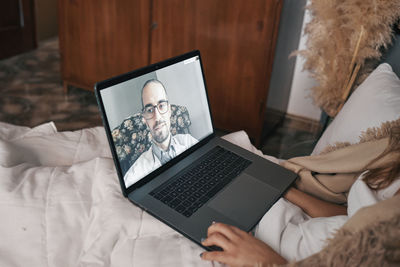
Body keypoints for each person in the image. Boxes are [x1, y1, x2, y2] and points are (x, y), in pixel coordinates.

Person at [200, 124, 400, 266]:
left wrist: (267, 262)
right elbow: (350, 216)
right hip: (285, 220)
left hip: (274, 252)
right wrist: (281, 189)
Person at [124, 79, 198, 187]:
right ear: (144, 118)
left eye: (161, 105)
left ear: (169, 110)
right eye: (149, 110)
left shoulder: (188, 141)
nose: (157, 117)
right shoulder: (134, 175)